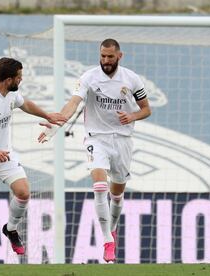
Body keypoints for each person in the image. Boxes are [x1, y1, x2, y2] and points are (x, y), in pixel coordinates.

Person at [38, 38, 151, 263]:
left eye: (110, 56)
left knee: (117, 194)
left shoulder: (132, 79)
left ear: (120, 55)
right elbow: (73, 103)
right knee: (100, 186)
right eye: (102, 56)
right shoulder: (89, 77)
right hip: (96, 138)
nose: (105, 61)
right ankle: (107, 240)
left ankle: (113, 228)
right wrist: (55, 124)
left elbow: (146, 108)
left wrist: (132, 116)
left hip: (123, 140)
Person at [0, 57, 66, 265]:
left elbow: (24, 103)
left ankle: (10, 229)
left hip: (4, 154)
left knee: (23, 192)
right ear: (9, 79)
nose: (22, 79)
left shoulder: (11, 93)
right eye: (19, 77)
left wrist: (48, 115)